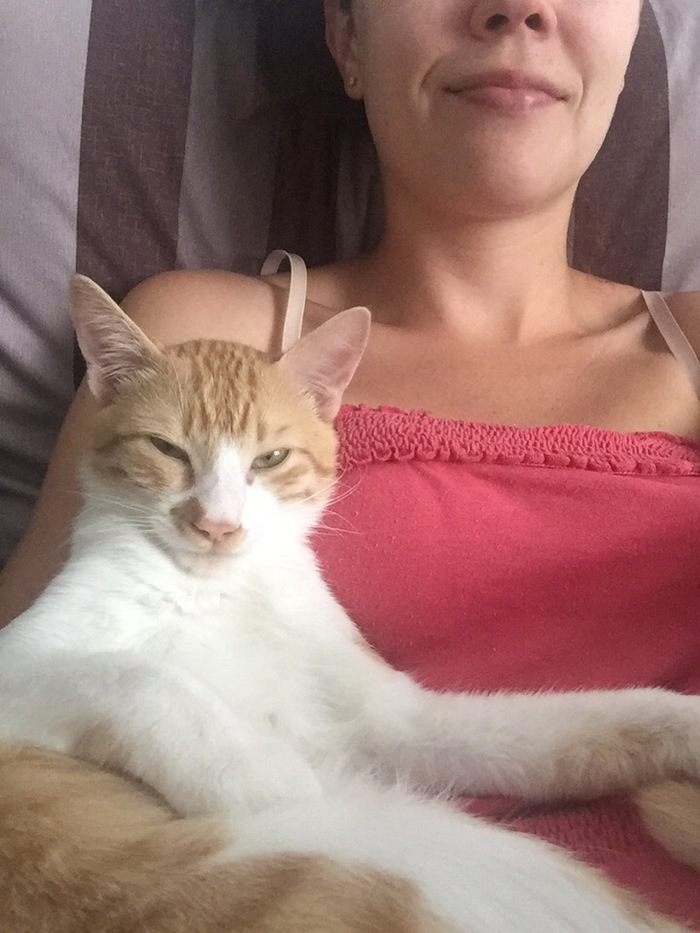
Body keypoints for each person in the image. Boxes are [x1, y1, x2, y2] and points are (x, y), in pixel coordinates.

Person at [2, 0, 700, 924]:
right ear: (346, 38)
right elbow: (24, 685)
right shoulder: (192, 338)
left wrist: (668, 732)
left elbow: (402, 729)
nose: (520, 7)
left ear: (632, 42)